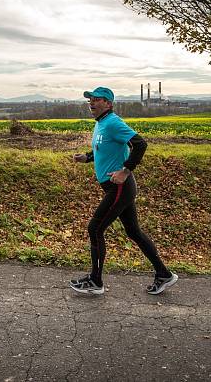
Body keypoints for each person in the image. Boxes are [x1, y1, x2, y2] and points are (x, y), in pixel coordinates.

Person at [70, 86, 177, 295]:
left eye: (97, 99)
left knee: (95, 228)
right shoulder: (101, 124)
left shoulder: (113, 122)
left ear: (108, 103)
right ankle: (164, 274)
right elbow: (103, 148)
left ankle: (95, 281)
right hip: (116, 187)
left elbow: (140, 144)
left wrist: (126, 171)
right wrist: (87, 157)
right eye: (90, 99)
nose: (92, 102)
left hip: (118, 187)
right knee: (133, 231)